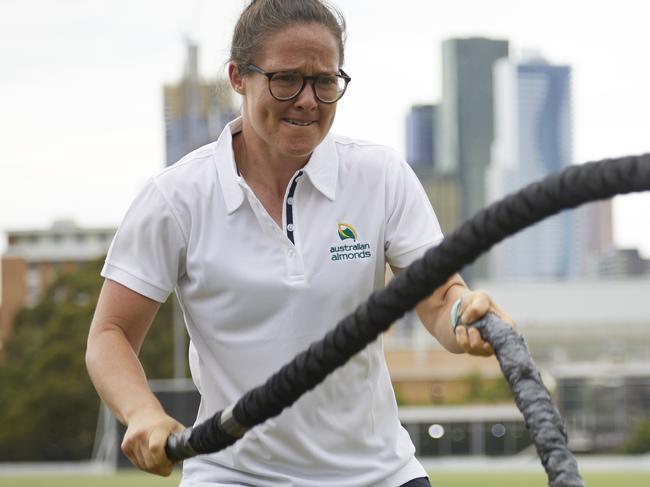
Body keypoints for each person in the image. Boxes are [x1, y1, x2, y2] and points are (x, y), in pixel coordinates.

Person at [85, 1, 514, 486]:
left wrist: (464, 316)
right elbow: (109, 335)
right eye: (287, 79)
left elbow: (439, 298)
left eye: (325, 81)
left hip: (378, 474)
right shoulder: (175, 196)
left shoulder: (381, 176)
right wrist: (143, 413)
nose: (308, 99)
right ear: (238, 77)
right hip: (232, 475)